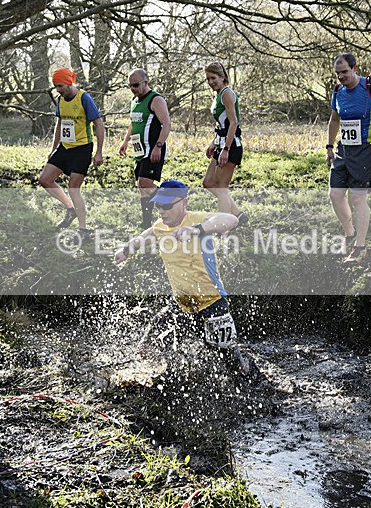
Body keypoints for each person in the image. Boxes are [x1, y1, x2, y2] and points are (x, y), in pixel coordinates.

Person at [113, 180, 248, 371]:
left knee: (230, 360)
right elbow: (145, 236)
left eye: (167, 206)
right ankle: (157, 376)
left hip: (212, 302)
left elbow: (231, 220)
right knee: (147, 346)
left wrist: (196, 230)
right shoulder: (160, 226)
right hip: (181, 303)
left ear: (184, 203)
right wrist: (126, 250)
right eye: (158, 206)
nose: (162, 211)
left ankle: (250, 376)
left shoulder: (196, 220)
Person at [326, 53, 371, 262]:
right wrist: (329, 147)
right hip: (344, 148)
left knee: (358, 198)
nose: (341, 77)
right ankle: (350, 232)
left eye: (345, 72)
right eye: (338, 73)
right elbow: (334, 120)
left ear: (355, 69)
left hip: (367, 147)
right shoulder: (338, 91)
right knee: (335, 194)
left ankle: (361, 245)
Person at [39, 67, 104, 236]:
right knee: (45, 179)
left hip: (82, 148)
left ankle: (83, 229)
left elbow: (99, 124)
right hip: (65, 147)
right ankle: (70, 209)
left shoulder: (84, 98)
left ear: (69, 83)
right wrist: (53, 149)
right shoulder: (60, 100)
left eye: (60, 86)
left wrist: (99, 152)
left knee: (73, 188)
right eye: (55, 86)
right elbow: (59, 124)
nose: (58, 90)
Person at [118, 68, 171, 230]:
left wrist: (158, 146)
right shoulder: (134, 101)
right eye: (130, 86)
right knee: (141, 187)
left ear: (145, 82)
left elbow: (166, 124)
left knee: (145, 183)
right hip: (139, 150)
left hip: (153, 148)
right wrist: (125, 141)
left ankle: (171, 203)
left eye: (135, 85)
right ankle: (146, 223)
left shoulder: (156, 99)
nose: (132, 89)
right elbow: (133, 122)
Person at [203, 62, 247, 225]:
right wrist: (214, 143)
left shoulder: (227, 94)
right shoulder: (218, 94)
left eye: (213, 78)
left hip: (231, 145)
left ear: (222, 77)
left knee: (221, 187)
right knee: (208, 182)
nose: (210, 82)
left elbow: (233, 123)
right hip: (221, 143)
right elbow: (221, 125)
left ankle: (224, 227)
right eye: (208, 79)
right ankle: (237, 214)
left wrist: (226, 149)